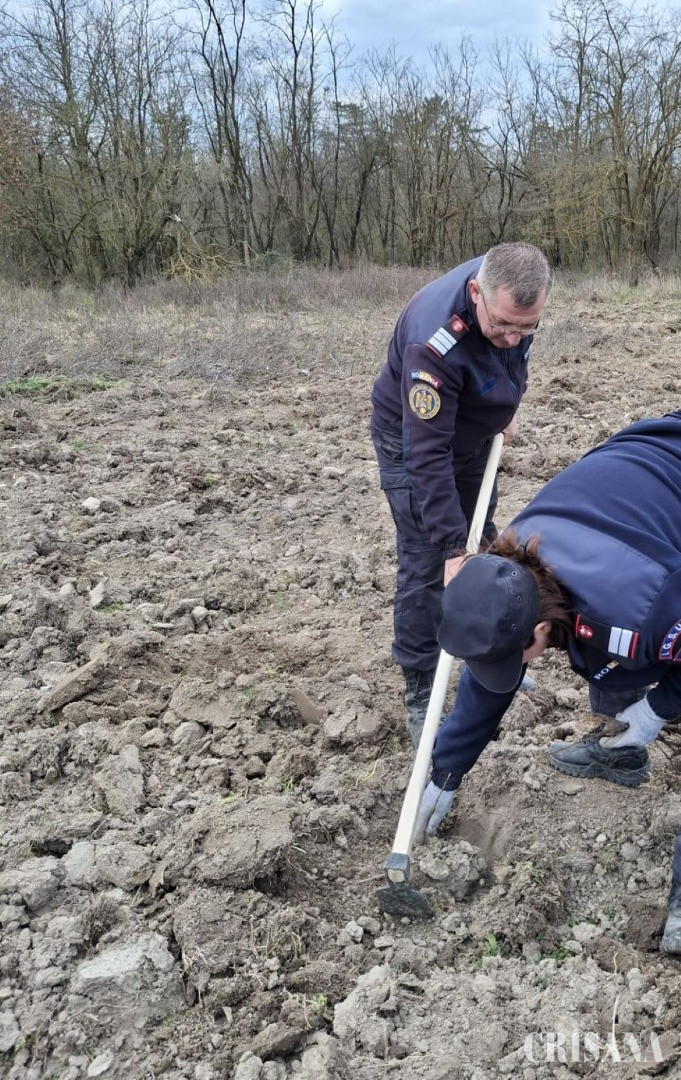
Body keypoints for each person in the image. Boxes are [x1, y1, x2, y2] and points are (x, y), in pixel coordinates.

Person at [415, 410, 681, 955]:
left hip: (658, 518)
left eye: (517, 658)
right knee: (605, 653)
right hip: (647, 483)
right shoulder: (511, 564)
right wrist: (446, 768)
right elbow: (492, 671)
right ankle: (621, 750)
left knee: (628, 650)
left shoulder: (645, 608)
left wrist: (659, 708)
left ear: (539, 630)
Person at [370, 242, 552, 746]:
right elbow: (427, 455)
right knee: (429, 560)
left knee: (482, 541)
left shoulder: (514, 286)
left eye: (527, 328)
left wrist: (506, 406)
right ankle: (421, 685)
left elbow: (513, 353)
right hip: (414, 442)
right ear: (476, 293)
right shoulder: (432, 344)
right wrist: (452, 547)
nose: (513, 337)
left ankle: (483, 651)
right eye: (503, 325)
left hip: (474, 434)